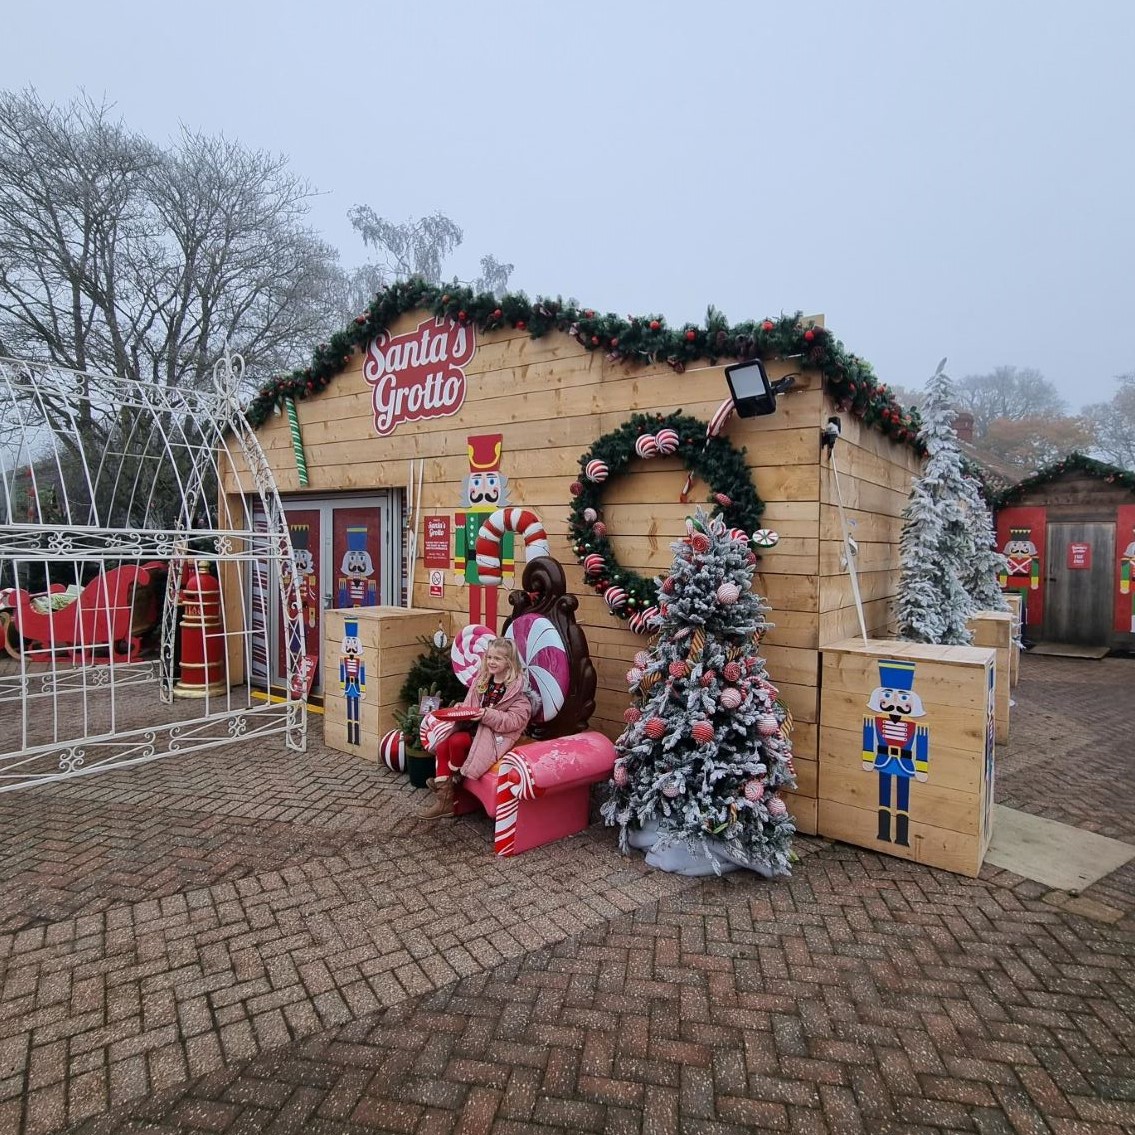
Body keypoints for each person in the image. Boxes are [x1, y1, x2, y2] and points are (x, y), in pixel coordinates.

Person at [419, 636, 532, 820]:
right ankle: (446, 794)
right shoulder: (483, 681)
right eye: (489, 658)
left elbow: (513, 721)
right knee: (442, 744)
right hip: (474, 727)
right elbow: (471, 705)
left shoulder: (517, 692)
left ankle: (452, 782)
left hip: (494, 735)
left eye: (498, 658)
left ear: (509, 662)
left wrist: (486, 714)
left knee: (456, 741)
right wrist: (461, 709)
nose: (492, 662)